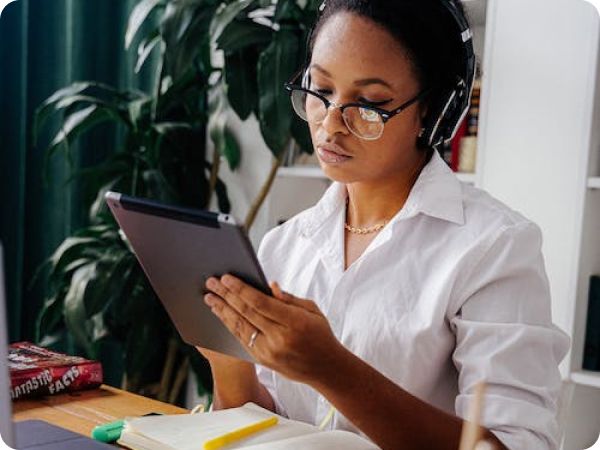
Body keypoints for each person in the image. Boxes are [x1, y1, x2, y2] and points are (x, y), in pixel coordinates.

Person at [198, 1, 570, 449]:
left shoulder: (495, 248)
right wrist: (229, 364)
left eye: (370, 104)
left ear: (432, 111)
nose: (332, 124)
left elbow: (514, 445)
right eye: (320, 90)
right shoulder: (285, 243)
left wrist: (332, 369)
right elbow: (267, 428)